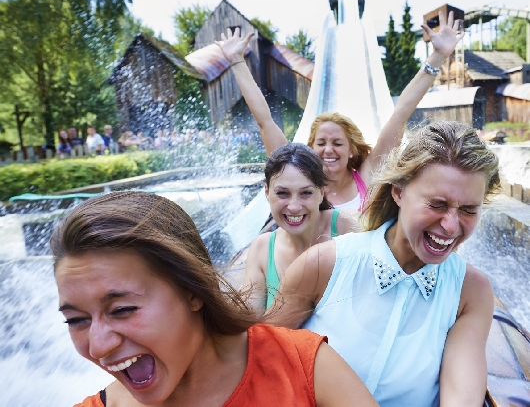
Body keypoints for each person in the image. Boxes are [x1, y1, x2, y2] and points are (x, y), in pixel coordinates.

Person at [51, 191, 378, 407]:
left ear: (193, 290)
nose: (98, 347)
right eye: (77, 320)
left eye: (121, 310)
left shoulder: (302, 366)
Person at [267, 121, 501, 406]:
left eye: (468, 210)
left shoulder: (471, 292)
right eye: (437, 204)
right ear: (398, 192)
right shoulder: (322, 264)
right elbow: (265, 362)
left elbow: (461, 396)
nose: (451, 226)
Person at [216, 11, 464, 210]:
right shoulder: (300, 181)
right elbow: (265, 122)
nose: (328, 150)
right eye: (320, 142)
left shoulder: (366, 176)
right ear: (310, 149)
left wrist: (438, 57)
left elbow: (400, 113)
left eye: (337, 142)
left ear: (351, 150)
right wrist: (237, 62)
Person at [243, 143, 360, 312]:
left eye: (306, 193)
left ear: (321, 193)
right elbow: (248, 323)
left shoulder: (347, 226)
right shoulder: (261, 248)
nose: (294, 206)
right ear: (267, 193)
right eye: (283, 193)